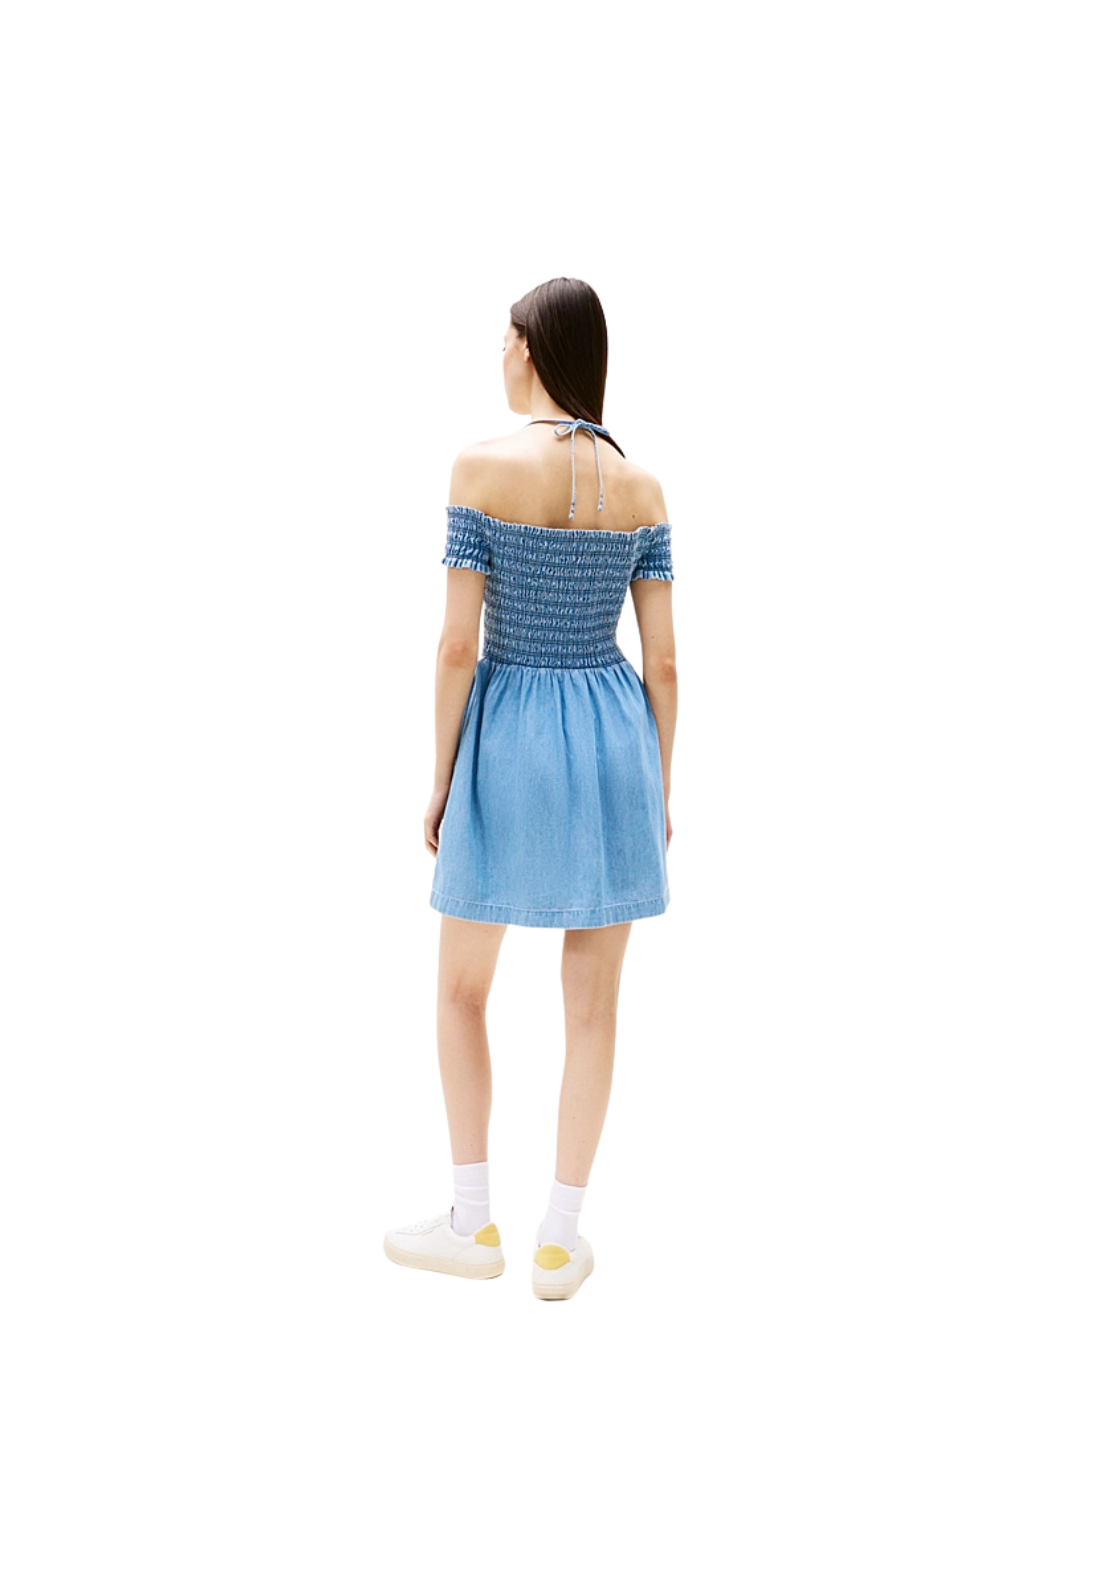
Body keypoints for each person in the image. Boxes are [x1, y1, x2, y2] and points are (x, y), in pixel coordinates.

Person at [383, 278, 677, 1300]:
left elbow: (456, 646)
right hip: (613, 741)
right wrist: (660, 787)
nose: (499, 355)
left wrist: (439, 777)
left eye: (505, 338)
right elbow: (665, 664)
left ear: (530, 348)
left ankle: (472, 1221)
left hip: (507, 736)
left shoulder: (479, 467)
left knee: (461, 990)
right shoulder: (642, 488)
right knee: (591, 1007)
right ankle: (558, 1241)